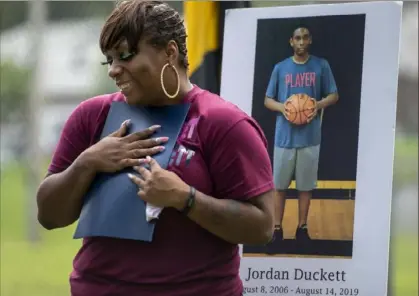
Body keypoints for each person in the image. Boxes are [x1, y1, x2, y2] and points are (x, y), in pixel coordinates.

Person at [36, 1, 275, 295]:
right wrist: (87, 162)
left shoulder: (223, 123)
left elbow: (262, 226)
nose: (114, 70)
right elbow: (49, 215)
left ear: (169, 52)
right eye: (108, 60)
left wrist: (185, 198)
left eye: (125, 55)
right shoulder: (91, 117)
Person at [263, 24, 339, 249]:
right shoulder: (280, 68)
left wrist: (318, 104)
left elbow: (334, 95)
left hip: (310, 136)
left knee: (306, 187)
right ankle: (276, 229)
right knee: (280, 186)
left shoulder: (321, 65)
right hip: (284, 138)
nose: (301, 42)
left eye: (305, 38)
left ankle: (302, 229)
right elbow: (267, 100)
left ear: (310, 41)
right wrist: (283, 107)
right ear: (291, 41)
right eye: (298, 38)